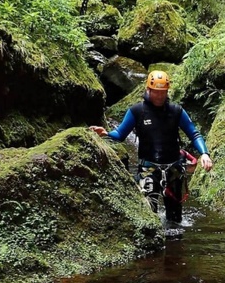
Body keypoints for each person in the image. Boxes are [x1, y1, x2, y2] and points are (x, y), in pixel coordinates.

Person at [90, 70, 213, 224]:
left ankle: (175, 245)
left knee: (175, 221)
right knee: (149, 216)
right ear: (148, 89)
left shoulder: (176, 111)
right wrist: (106, 133)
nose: (159, 96)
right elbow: (120, 135)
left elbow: (194, 134)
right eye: (156, 92)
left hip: (173, 169)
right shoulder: (136, 111)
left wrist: (204, 153)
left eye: (163, 92)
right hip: (148, 170)